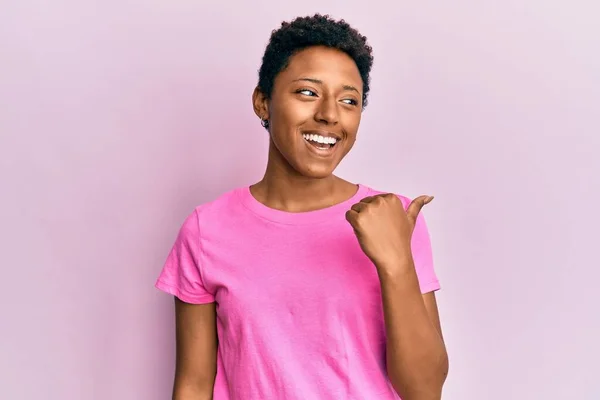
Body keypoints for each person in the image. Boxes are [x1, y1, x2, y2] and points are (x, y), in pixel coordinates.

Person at [155, 13, 449, 400]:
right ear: (263, 102)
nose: (329, 114)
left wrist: (395, 263)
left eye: (349, 100)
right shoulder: (206, 230)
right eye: (308, 92)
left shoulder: (395, 218)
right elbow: (194, 385)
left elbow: (424, 391)